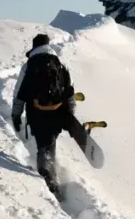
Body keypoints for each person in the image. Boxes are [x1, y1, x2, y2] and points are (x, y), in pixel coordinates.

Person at [11, 34, 87, 196]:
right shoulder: (59, 64)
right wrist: (70, 114)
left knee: (42, 142)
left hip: (36, 112)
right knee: (50, 140)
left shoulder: (29, 66)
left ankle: (47, 173)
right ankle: (50, 173)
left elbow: (19, 93)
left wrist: (16, 115)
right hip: (57, 112)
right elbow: (69, 92)